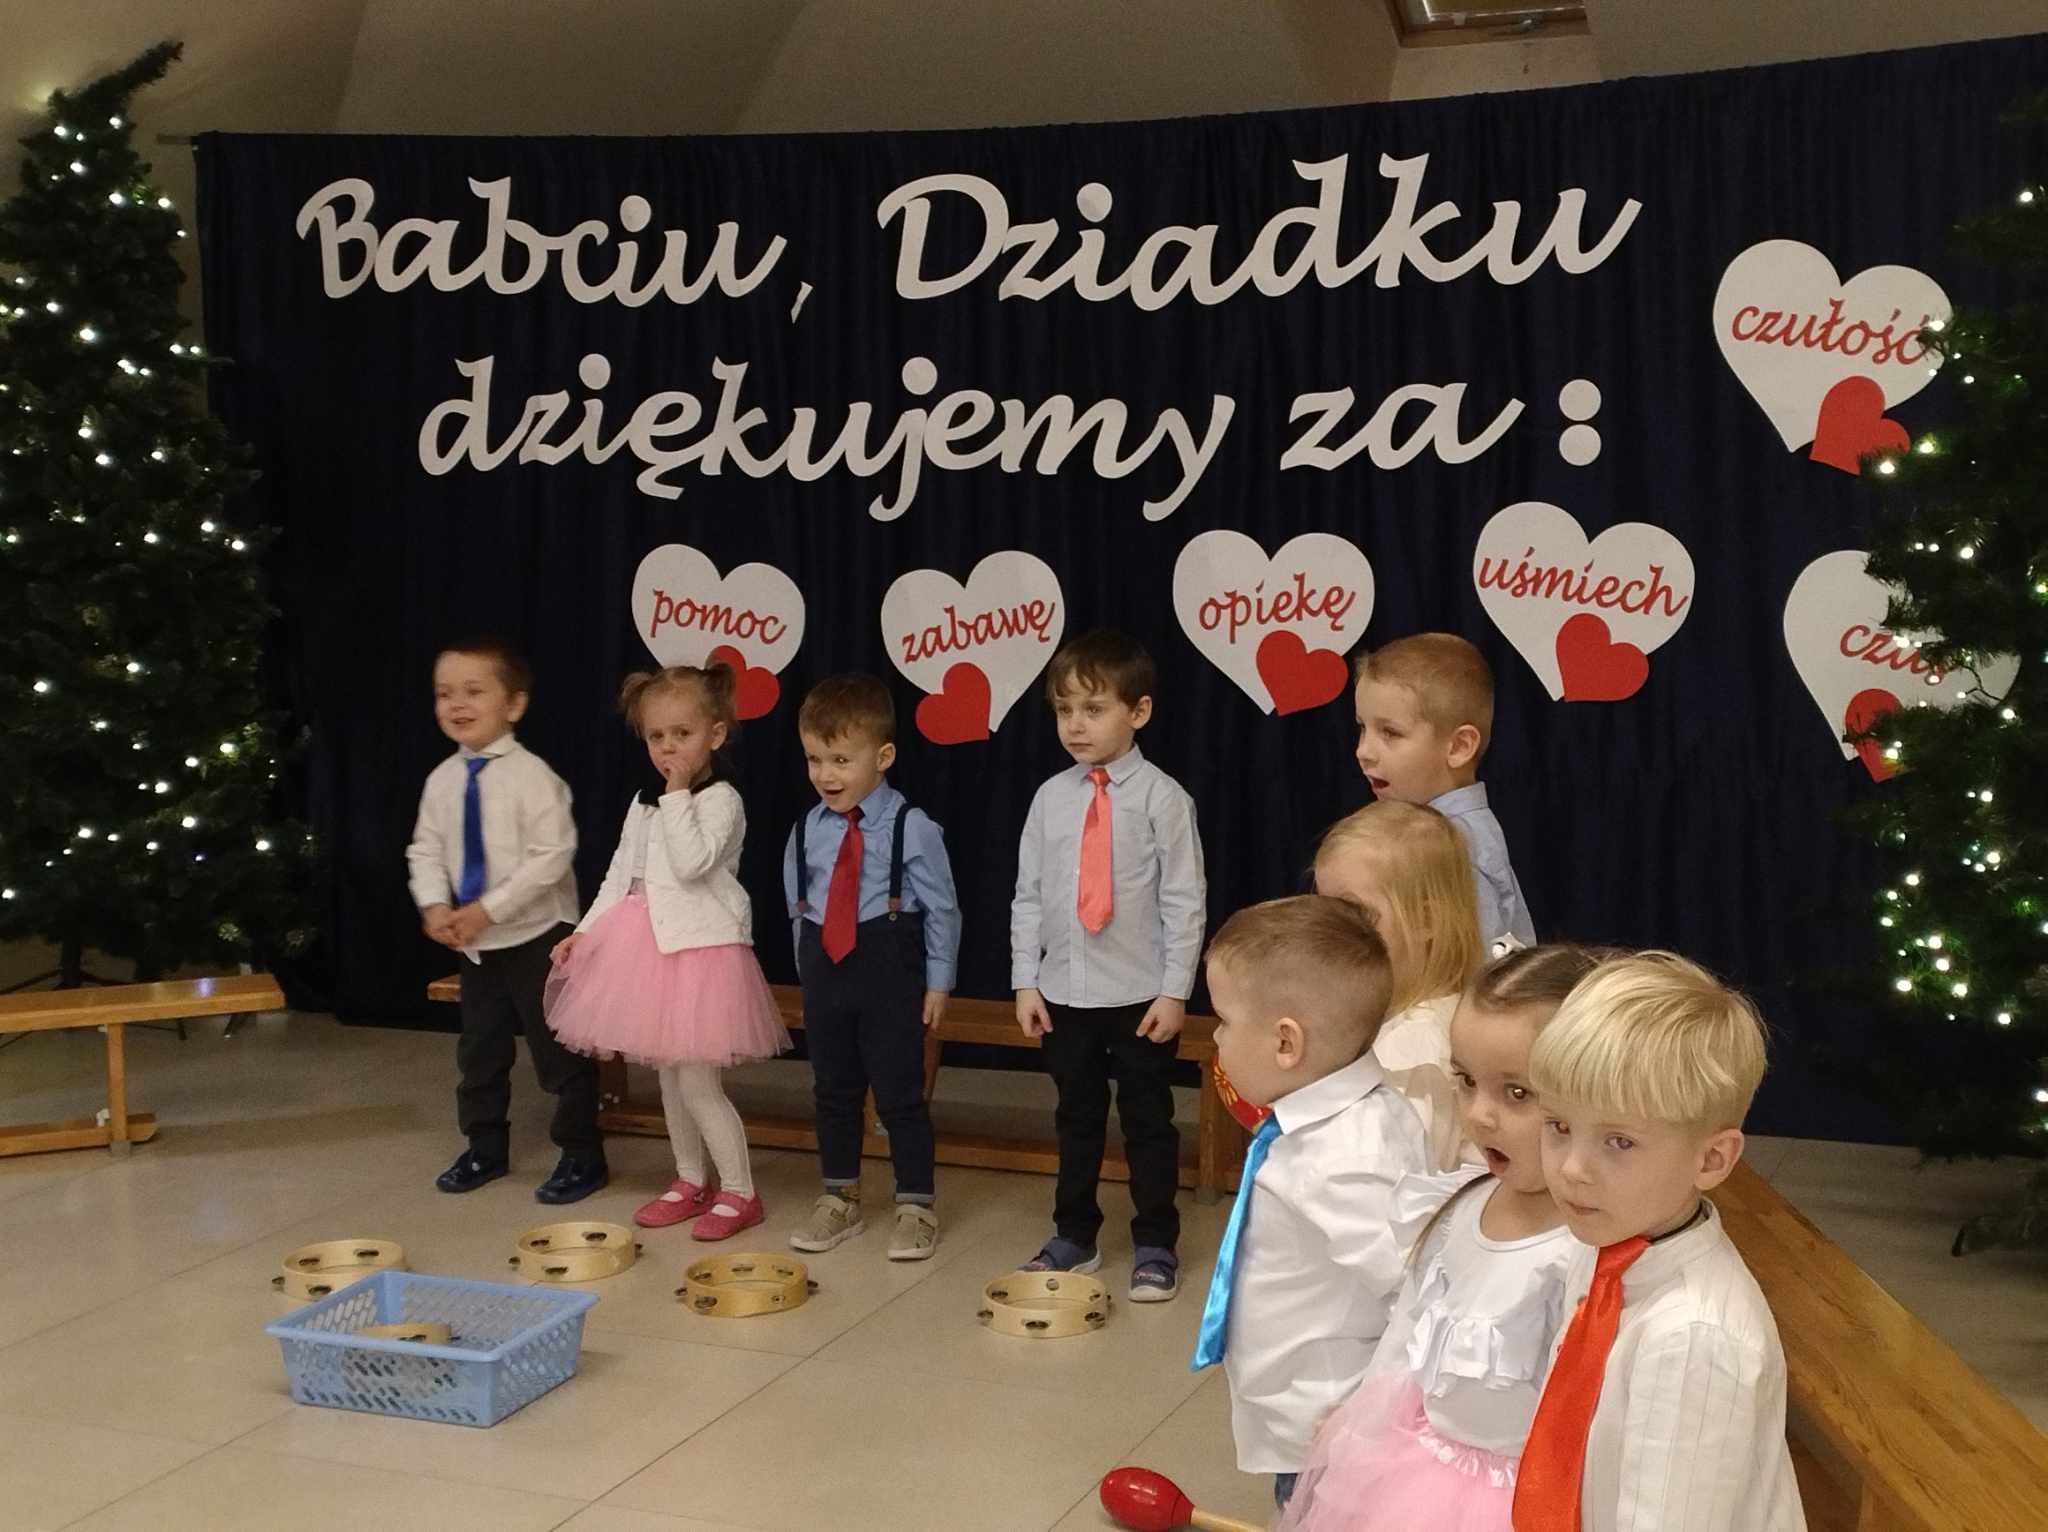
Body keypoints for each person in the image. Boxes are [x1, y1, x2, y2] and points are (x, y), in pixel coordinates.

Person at [1280, 944, 1608, 1532]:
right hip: (1416, 1473)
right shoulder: (1455, 1206)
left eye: (1516, 1093)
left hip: (1523, 1502)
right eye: (1466, 1081)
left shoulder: (1585, 1246)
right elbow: (1406, 1333)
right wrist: (1358, 1421)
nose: (1479, 1115)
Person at [1517, 952, 1806, 1531]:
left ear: (1712, 1159)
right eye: (1559, 1127)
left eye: (1619, 1141)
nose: (1571, 1168)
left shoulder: (1692, 1341)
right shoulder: (1607, 1246)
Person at [1192, 894, 1432, 1512]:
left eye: (1223, 1021)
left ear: (1285, 1043)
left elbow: (1414, 1292)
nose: (1215, 1037)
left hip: (1328, 1425)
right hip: (1302, 1409)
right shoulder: (1335, 1123)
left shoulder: (1342, 1157)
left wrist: (1374, 1412)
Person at [544, 662, 789, 1239]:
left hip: (702, 954)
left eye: (682, 734)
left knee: (700, 1085)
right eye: (657, 736)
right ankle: (689, 1179)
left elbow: (692, 861)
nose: (668, 748)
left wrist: (677, 794)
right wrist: (587, 931)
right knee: (670, 1083)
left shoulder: (721, 800)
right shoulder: (644, 801)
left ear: (715, 734)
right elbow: (621, 875)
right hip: (649, 951)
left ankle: (740, 1191)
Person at [1012, 629, 1206, 1301]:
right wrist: (1026, 979)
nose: (1076, 725)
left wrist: (1175, 991)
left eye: (1093, 709)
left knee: (1148, 1121)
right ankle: (1075, 1235)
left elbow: (1184, 900)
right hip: (1065, 993)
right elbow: (1029, 893)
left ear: (1138, 712)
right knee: (1076, 1118)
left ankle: (1155, 1242)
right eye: (1065, 710)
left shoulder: (1164, 799)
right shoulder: (1050, 798)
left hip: (1140, 995)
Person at [405, 636, 604, 1204]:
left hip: (538, 936)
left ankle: (581, 1153)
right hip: (478, 946)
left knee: (558, 1052)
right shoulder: (442, 780)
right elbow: (425, 848)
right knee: (480, 1052)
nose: (457, 704)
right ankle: (484, 1147)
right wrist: (434, 904)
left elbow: (552, 856)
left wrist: (487, 910)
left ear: (514, 705)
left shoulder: (533, 777)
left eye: (474, 691)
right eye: (444, 693)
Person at [782, 674, 960, 1261]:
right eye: (814, 759)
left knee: (899, 1093)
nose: (825, 775)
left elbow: (942, 908)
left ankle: (915, 1204)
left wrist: (939, 981)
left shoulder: (913, 826)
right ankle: (840, 1196)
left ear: (882, 757)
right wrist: (807, 968)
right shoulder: (807, 828)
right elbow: (798, 903)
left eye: (841, 760)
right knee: (832, 1089)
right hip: (825, 969)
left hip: (888, 971)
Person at [1313, 800, 1486, 1171]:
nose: (1330, 933)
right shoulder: (1393, 1023)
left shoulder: (1415, 1047)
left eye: (1354, 913)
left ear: (1425, 920)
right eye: (1326, 913)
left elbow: (1394, 1179)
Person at [1353, 634, 1535, 949]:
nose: (1363, 751)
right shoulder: (1432, 831)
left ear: (1459, 747)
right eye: (1361, 727)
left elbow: (1476, 964)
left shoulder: (1458, 846)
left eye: (1390, 733)